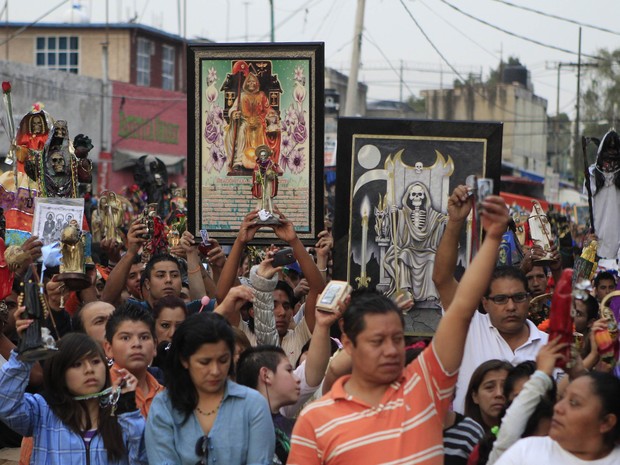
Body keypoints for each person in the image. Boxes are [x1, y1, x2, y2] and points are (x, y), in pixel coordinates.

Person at [288, 195, 509, 465]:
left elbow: (462, 308)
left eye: (397, 339)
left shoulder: (425, 388)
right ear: (348, 341)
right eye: (377, 341)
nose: (392, 350)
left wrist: (494, 237)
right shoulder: (315, 419)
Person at [433, 186, 549, 414]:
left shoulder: (547, 346)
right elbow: (442, 278)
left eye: (518, 297)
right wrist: (455, 221)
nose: (511, 306)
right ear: (485, 303)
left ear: (529, 299)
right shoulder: (470, 328)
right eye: (500, 299)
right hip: (471, 445)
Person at [0, 324, 147, 465]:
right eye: (77, 364)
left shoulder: (122, 416)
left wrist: (128, 408)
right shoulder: (42, 411)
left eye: (95, 361)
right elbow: (6, 401)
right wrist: (26, 352)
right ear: (59, 373)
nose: (89, 369)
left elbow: (144, 459)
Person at [145, 312, 275, 465]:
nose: (215, 370)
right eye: (205, 362)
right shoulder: (164, 406)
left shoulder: (253, 405)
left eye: (223, 360)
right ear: (184, 360)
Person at [495, 372, 620, 464]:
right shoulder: (526, 450)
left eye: (574, 403)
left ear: (606, 422)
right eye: (562, 398)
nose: (558, 408)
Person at [384, 182, 447, 301]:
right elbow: (398, 238)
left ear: (424, 197)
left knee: (433, 257)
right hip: (409, 248)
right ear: (409, 197)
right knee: (404, 254)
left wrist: (444, 222)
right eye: (413, 194)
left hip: (426, 249)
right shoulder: (403, 214)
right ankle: (405, 289)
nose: (417, 197)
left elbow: (440, 221)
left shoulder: (432, 215)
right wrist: (393, 216)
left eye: (419, 194)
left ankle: (431, 293)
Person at [104, 303, 162, 417]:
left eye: (144, 337)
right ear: (109, 348)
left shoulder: (165, 393)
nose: (137, 344)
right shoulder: (102, 392)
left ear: (155, 346)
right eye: (125, 338)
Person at [464, 360, 513, 433]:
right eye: (489, 387)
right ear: (475, 396)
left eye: (505, 387)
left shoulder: (529, 436)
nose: (499, 394)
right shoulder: (465, 437)